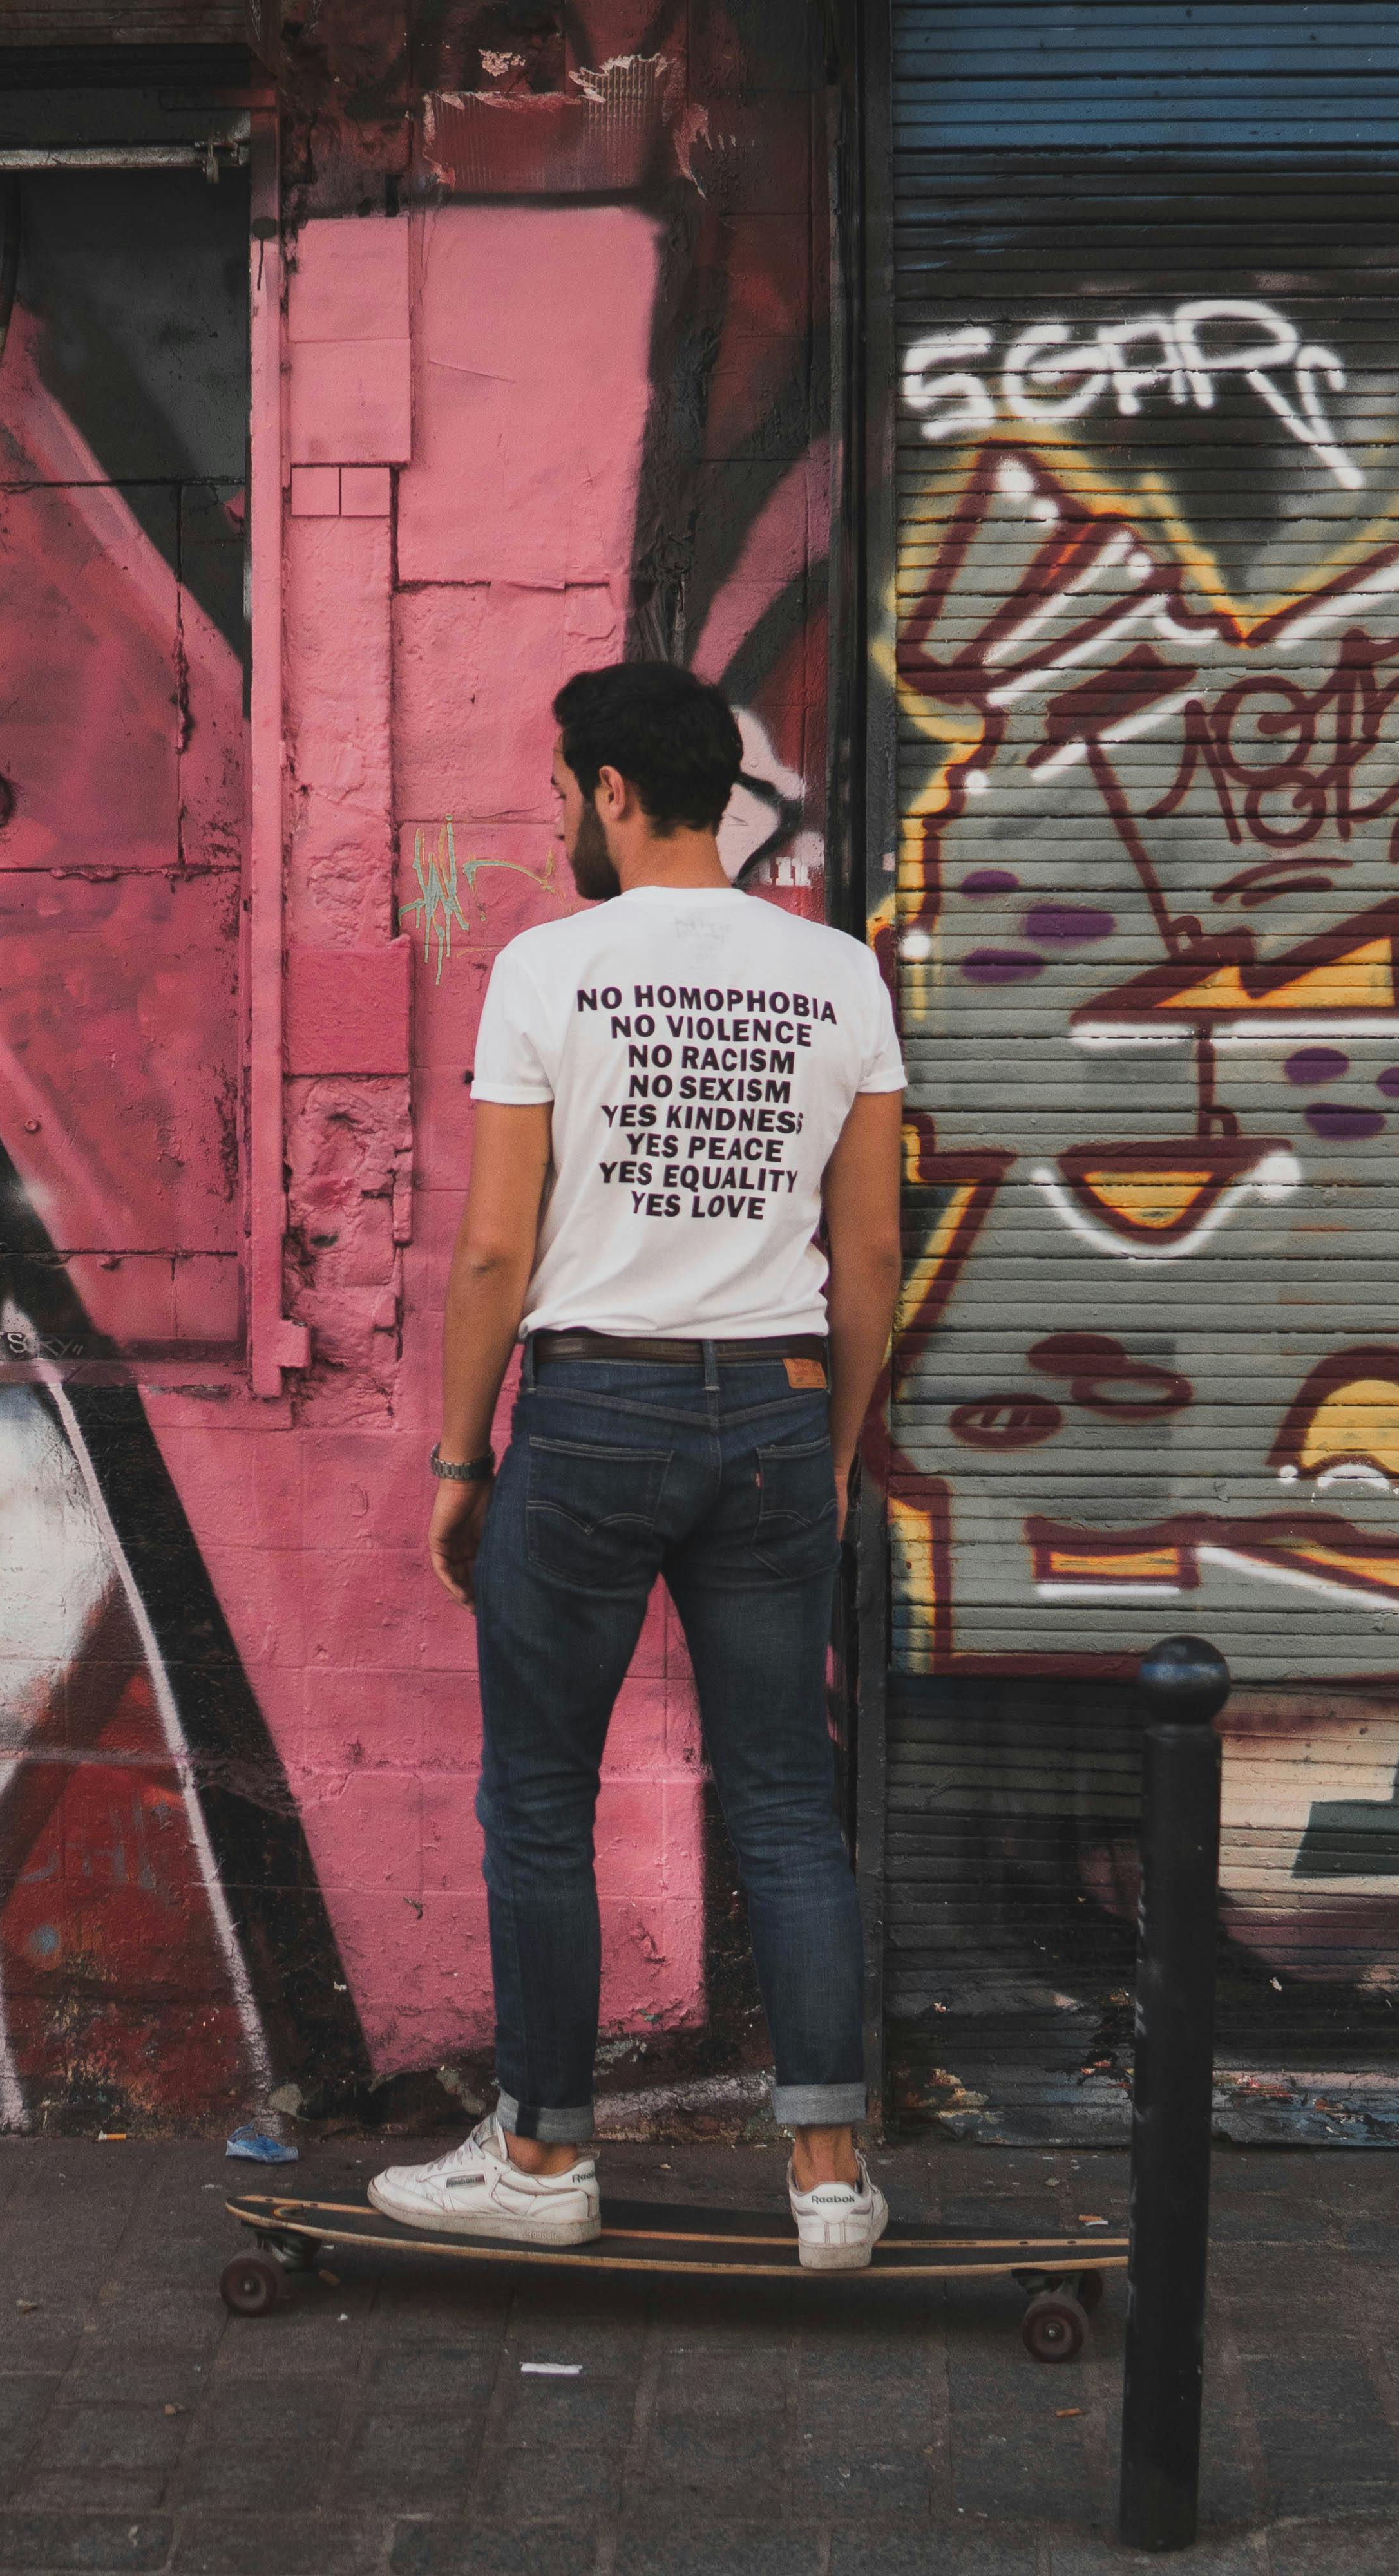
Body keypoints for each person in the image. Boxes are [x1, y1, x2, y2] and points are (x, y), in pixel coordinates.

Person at [369, 660, 906, 2266]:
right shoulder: (836, 976)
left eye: (560, 788)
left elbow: (488, 1254)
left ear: (612, 789)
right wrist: (836, 1445)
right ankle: (827, 2175)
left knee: (540, 1801)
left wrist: (464, 1461)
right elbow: (869, 1248)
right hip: (772, 1419)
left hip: (593, 1415)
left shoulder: (549, 968)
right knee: (789, 1810)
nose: (554, 814)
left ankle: (543, 2152)